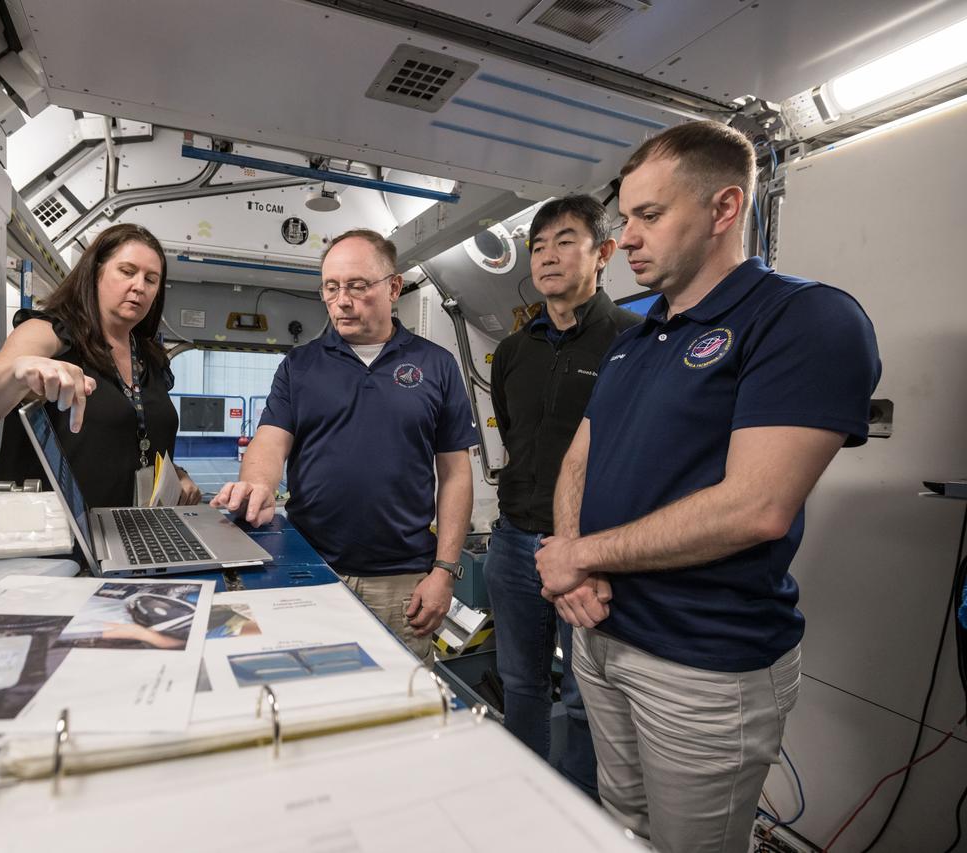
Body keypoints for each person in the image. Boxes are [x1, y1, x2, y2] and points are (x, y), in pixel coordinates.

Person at [537, 120, 881, 852]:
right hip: (601, 633)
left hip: (699, 663)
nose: (625, 238)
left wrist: (579, 554)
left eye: (649, 216)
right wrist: (570, 560)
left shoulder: (804, 318)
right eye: (625, 217)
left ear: (724, 209)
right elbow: (579, 457)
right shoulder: (637, 336)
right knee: (620, 823)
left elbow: (757, 506)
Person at [211, 229, 478, 665]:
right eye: (331, 288)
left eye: (357, 286)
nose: (342, 300)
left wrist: (444, 572)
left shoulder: (436, 364)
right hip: (310, 568)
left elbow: (456, 474)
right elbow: (271, 440)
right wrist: (257, 484)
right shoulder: (300, 365)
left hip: (402, 581)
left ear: (394, 287)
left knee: (399, 705)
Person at [485, 195, 639, 795]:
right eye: (538, 246)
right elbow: (515, 439)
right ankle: (525, 799)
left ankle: (577, 807)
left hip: (589, 550)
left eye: (565, 241)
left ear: (602, 253)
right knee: (519, 682)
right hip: (513, 541)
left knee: (584, 696)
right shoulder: (515, 351)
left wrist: (591, 549)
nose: (548, 257)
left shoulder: (633, 340)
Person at [0, 223, 201, 509]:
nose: (139, 286)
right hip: (51, 533)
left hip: (126, 530)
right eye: (126, 271)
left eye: (151, 279)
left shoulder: (150, 357)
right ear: (96, 273)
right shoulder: (50, 332)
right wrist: (18, 372)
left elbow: (138, 441)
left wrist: (178, 475)